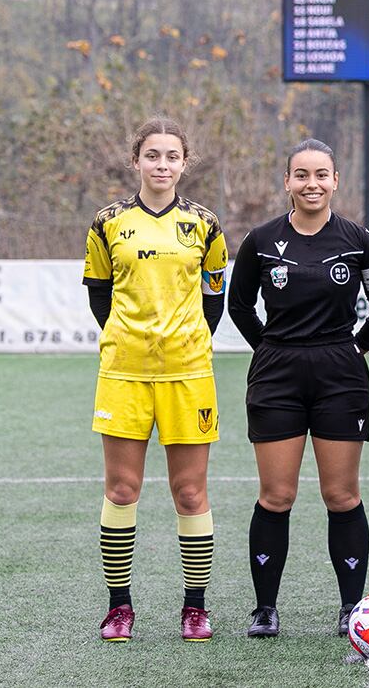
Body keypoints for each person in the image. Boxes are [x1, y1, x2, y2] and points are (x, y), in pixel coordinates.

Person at [228, 139, 369, 638]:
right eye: (301, 175)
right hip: (277, 375)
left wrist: (358, 346)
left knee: (341, 494)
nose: (311, 184)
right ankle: (265, 610)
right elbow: (239, 306)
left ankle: (350, 609)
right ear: (287, 182)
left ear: (335, 181)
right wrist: (269, 347)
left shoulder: (359, 241)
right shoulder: (260, 240)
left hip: (340, 374)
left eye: (321, 175)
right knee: (276, 495)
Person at [82, 117, 228, 643]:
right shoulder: (108, 222)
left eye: (171, 156)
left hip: (188, 374)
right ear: (135, 161)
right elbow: (100, 295)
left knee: (189, 493)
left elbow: (214, 298)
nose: (161, 165)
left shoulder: (205, 224)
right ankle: (119, 607)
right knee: (122, 490)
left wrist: (185, 342)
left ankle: (195, 607)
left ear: (184, 163)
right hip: (124, 373)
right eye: (152, 155)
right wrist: (130, 340)